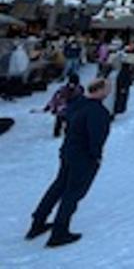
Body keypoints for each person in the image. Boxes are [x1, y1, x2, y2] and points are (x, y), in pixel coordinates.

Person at [26, 78, 112, 247]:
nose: (109, 92)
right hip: (83, 156)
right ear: (100, 90)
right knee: (73, 193)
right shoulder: (97, 111)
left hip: (68, 151)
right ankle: (59, 232)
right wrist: (96, 156)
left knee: (58, 187)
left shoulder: (77, 104)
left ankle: (38, 222)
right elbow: (96, 137)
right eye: (108, 89)